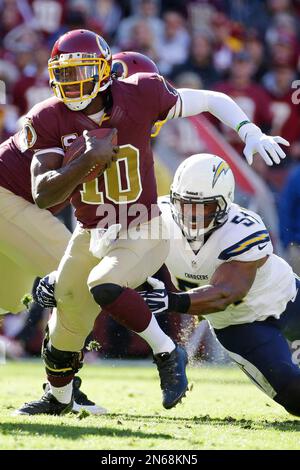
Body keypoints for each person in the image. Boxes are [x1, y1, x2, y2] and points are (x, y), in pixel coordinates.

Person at [19, 28, 288, 416]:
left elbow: (213, 99)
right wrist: (85, 161)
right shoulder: (47, 117)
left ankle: (167, 352)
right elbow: (44, 195)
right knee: (66, 319)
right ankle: (59, 397)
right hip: (91, 228)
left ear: (105, 70)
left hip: (140, 223)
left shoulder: (141, 94)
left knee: (103, 283)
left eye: (81, 72)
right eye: (64, 74)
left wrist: (248, 131)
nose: (72, 83)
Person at [140, 153, 300, 417]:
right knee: (293, 392)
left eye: (203, 207)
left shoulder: (242, 229)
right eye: (185, 204)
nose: (192, 215)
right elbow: (110, 252)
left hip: (287, 298)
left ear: (225, 203)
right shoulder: (156, 218)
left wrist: (172, 301)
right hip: (238, 325)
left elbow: (228, 292)